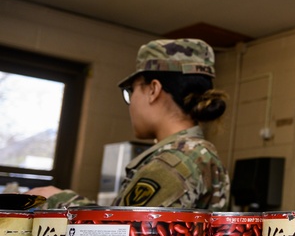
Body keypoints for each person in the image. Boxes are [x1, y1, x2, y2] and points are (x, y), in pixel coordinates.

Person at [30, 38, 230, 210]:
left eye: (131, 91)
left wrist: (57, 200)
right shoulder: (196, 154)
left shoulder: (175, 160)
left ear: (153, 89)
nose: (131, 102)